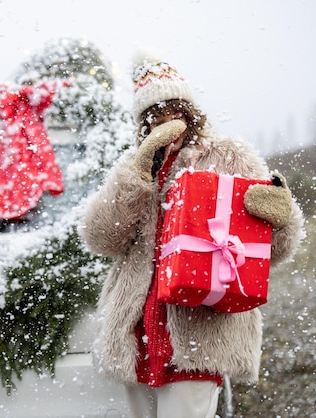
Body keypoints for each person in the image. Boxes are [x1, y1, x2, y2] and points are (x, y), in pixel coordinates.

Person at [79, 52, 304, 417]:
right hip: (137, 334)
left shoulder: (230, 156)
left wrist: (283, 219)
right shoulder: (133, 164)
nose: (168, 121)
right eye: (156, 115)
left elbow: (271, 251)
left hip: (201, 328)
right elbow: (102, 239)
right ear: (145, 125)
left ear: (190, 112)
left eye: (175, 110)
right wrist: (138, 176)